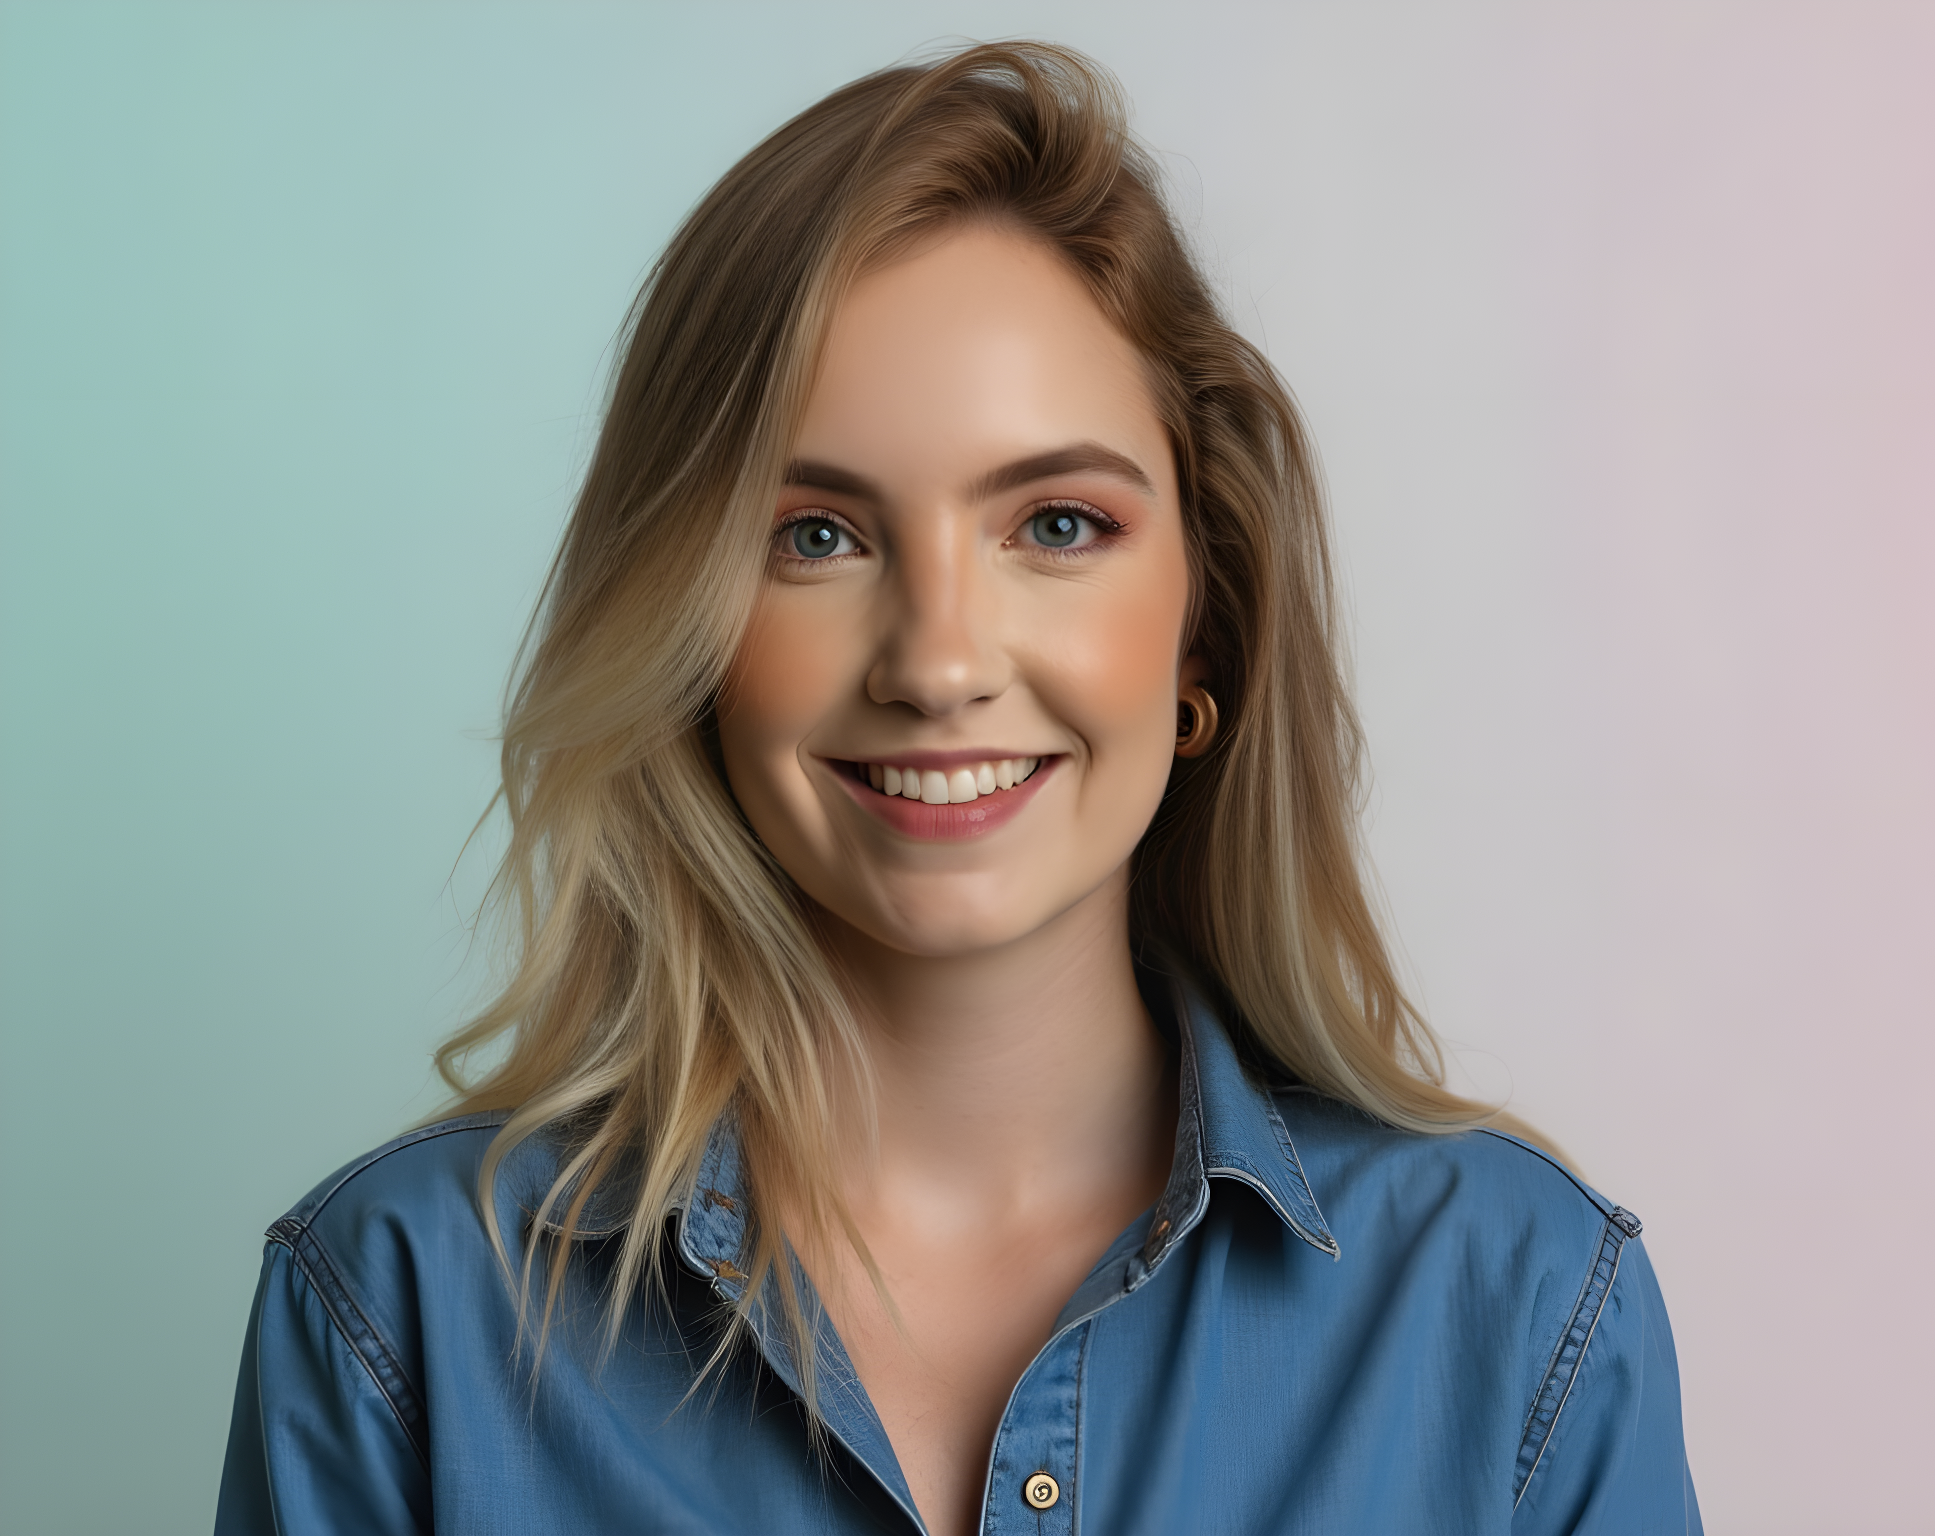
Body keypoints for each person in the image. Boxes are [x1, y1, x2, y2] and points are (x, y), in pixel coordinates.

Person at [216, 41, 1700, 1536]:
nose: (938, 662)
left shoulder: (1518, 1315)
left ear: (1209, 617)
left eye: (1056, 523)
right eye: (814, 537)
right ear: (687, 632)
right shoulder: (398, 1315)